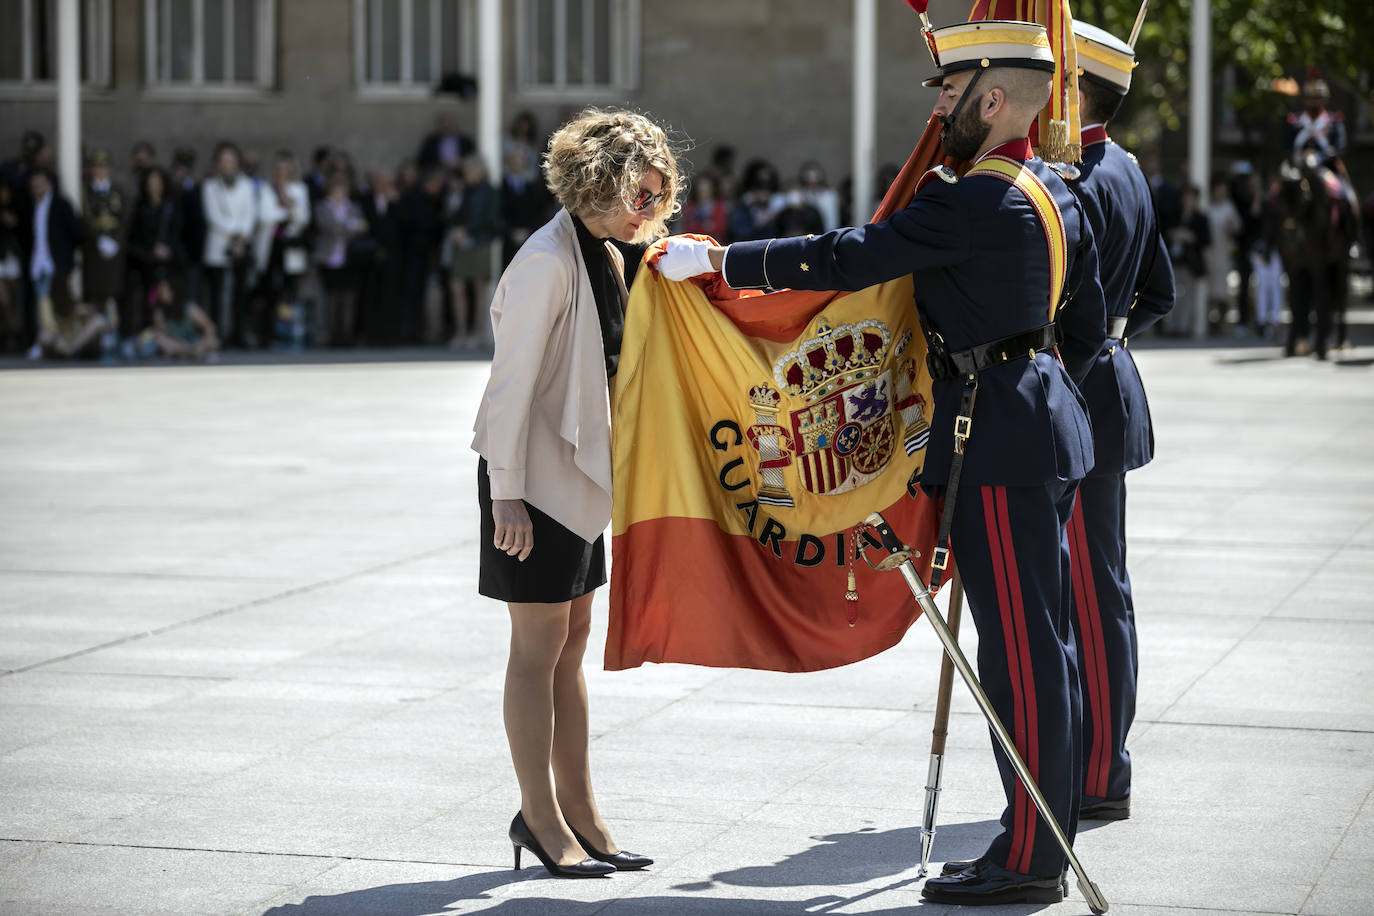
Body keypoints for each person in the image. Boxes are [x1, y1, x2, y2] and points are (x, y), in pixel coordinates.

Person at [659, 20, 1106, 906]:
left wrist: (721, 258)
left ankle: (1030, 859)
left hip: (1003, 441)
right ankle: (1036, 836)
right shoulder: (1052, 190)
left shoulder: (977, 200)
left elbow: (848, 256)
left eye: (948, 94)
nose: (936, 110)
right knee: (1041, 644)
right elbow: (1085, 324)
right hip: (1042, 423)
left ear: (989, 99)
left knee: (1020, 654)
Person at [470, 107, 678, 880]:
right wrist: (508, 498)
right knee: (536, 652)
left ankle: (581, 813)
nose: (652, 210)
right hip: (527, 480)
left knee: (572, 648)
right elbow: (507, 392)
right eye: (643, 195)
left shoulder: (610, 257)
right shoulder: (545, 262)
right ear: (603, 183)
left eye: (661, 196)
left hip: (579, 478)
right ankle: (540, 817)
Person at [1057, 21, 1176, 826]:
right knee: (1103, 585)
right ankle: (1102, 761)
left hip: (1078, 394)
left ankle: (1103, 770)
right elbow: (1158, 292)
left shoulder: (1079, 180)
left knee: (1093, 593)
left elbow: (1071, 306)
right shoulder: (1127, 168)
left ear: (1074, 89)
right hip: (1110, 381)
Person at [442, 154, 502, 350]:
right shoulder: (464, 191)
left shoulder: (490, 191)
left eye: (468, 171)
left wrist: (467, 230)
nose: (466, 175)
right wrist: (457, 230)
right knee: (456, 287)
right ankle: (460, 332)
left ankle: (476, 333)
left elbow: (490, 219)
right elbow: (455, 215)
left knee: (478, 288)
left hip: (480, 242)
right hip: (461, 243)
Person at [201, 141, 257, 347]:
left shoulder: (247, 185)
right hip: (218, 247)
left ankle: (239, 335)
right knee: (216, 296)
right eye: (223, 160)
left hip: (241, 247)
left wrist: (241, 239)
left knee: (239, 295)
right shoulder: (210, 186)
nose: (227, 164)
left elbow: (250, 215)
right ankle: (217, 336)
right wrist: (235, 233)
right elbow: (213, 216)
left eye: (231, 160)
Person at [311, 173, 368, 347]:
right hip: (328, 258)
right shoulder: (322, 207)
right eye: (336, 190)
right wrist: (349, 226)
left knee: (348, 298)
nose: (339, 193)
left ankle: (346, 335)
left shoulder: (353, 207)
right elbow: (327, 226)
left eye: (342, 190)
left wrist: (345, 227)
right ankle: (331, 334)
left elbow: (363, 226)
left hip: (348, 259)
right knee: (331, 298)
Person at [125, 165, 185, 325]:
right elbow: (132, 241)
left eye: (157, 183)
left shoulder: (171, 208)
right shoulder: (140, 210)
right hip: (145, 267)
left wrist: (167, 250)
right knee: (146, 304)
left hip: (169, 266)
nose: (154, 187)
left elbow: (179, 235)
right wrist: (150, 252)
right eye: (150, 183)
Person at [81, 149, 130, 336]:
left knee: (112, 294)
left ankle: (112, 334)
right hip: (94, 250)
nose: (100, 170)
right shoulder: (86, 192)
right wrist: (98, 239)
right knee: (94, 294)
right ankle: (95, 335)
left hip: (114, 251)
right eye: (96, 167)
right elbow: (85, 218)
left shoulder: (117, 191)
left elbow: (124, 219)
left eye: (103, 166)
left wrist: (116, 241)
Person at [1164, 185, 1209, 337]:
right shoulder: (1173, 215)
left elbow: (1206, 240)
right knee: (1170, 294)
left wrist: (1191, 237)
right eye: (1186, 197)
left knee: (1187, 296)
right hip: (1172, 261)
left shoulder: (1200, 218)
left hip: (1189, 263)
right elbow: (1163, 232)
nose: (1188, 201)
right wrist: (1175, 234)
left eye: (1192, 198)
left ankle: (1183, 327)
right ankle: (1170, 327)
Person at [140, 273, 219, 360]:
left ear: (174, 290)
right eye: (160, 290)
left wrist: (201, 343)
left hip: (196, 343)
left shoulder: (189, 308)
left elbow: (210, 327)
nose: (160, 293)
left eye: (164, 290)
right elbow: (164, 334)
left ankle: (192, 353)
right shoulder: (159, 312)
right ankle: (191, 353)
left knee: (213, 341)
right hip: (177, 344)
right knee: (160, 340)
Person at [34, 270, 107, 359]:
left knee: (98, 321)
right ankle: (65, 352)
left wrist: (87, 311)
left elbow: (104, 322)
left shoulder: (74, 299)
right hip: (58, 341)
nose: (70, 286)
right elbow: (49, 328)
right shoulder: (46, 302)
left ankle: (70, 351)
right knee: (45, 337)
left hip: (74, 342)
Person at [1204, 174, 1241, 334]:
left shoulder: (1229, 207)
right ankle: (1208, 322)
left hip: (1224, 253)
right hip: (1209, 253)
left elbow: (1238, 227)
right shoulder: (1207, 207)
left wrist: (1232, 227)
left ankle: (1221, 323)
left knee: (1223, 291)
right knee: (1208, 290)